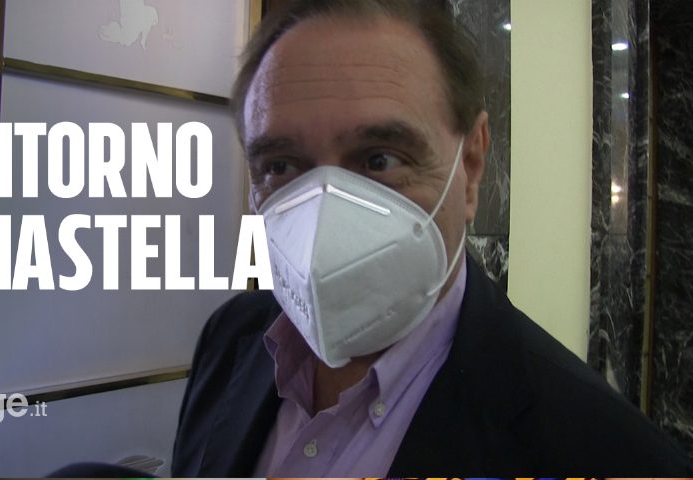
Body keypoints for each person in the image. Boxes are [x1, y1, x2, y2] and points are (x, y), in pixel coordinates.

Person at [172, 0, 693, 476]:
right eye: (281, 166)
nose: (324, 215)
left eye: (380, 159)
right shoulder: (231, 339)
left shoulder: (611, 454)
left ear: (471, 165)